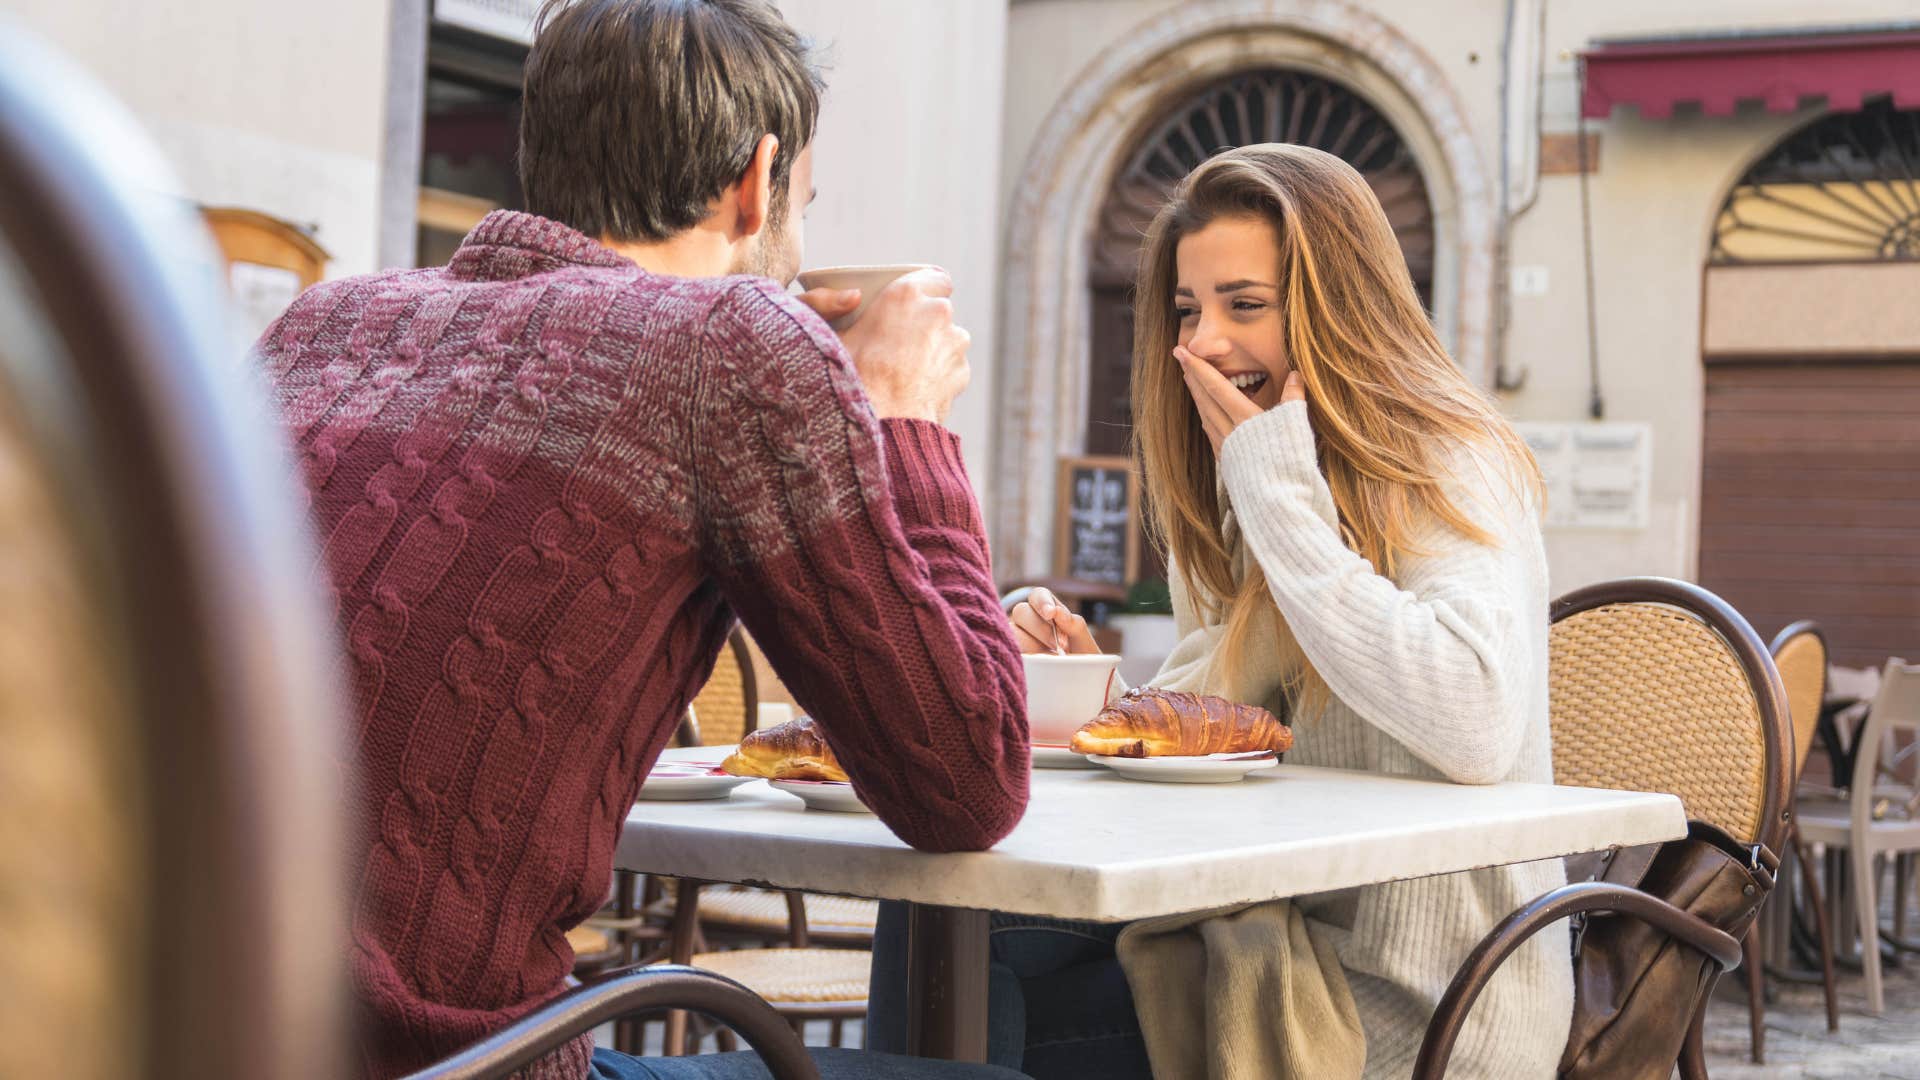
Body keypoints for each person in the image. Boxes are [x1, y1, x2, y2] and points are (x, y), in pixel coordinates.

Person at [253, 2, 1032, 1077]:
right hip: (451, 1063)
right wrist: (902, 421)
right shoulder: (739, 344)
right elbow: (970, 781)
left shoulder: (320, 324)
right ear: (756, 181)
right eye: (804, 202)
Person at [929, 143, 1569, 1079]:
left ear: (1337, 308)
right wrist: (1100, 692)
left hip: (1419, 1001)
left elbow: (1471, 720)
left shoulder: (1446, 458)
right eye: (1189, 310)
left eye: (1246, 305)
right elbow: (1244, 706)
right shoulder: (1262, 469)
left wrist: (1278, 497)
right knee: (953, 908)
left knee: (995, 992)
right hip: (1269, 929)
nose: (1206, 343)